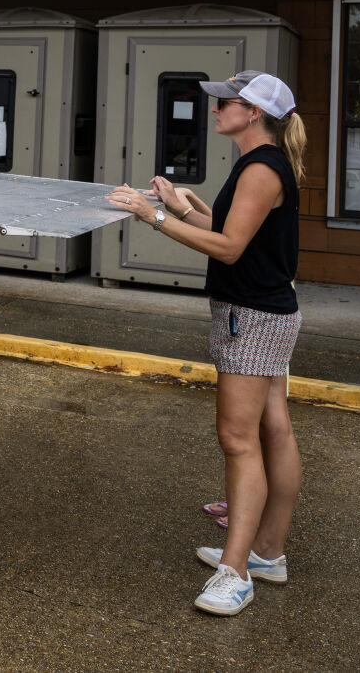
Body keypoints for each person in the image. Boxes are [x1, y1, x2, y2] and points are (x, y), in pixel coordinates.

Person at [108, 70, 308, 617]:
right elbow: (232, 227)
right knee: (271, 428)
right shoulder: (260, 163)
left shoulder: (262, 167)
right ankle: (266, 554)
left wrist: (152, 217)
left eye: (227, 103)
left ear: (254, 114)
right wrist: (182, 207)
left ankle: (236, 573)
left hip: (252, 317)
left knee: (238, 439)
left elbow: (228, 247)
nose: (215, 109)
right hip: (264, 311)